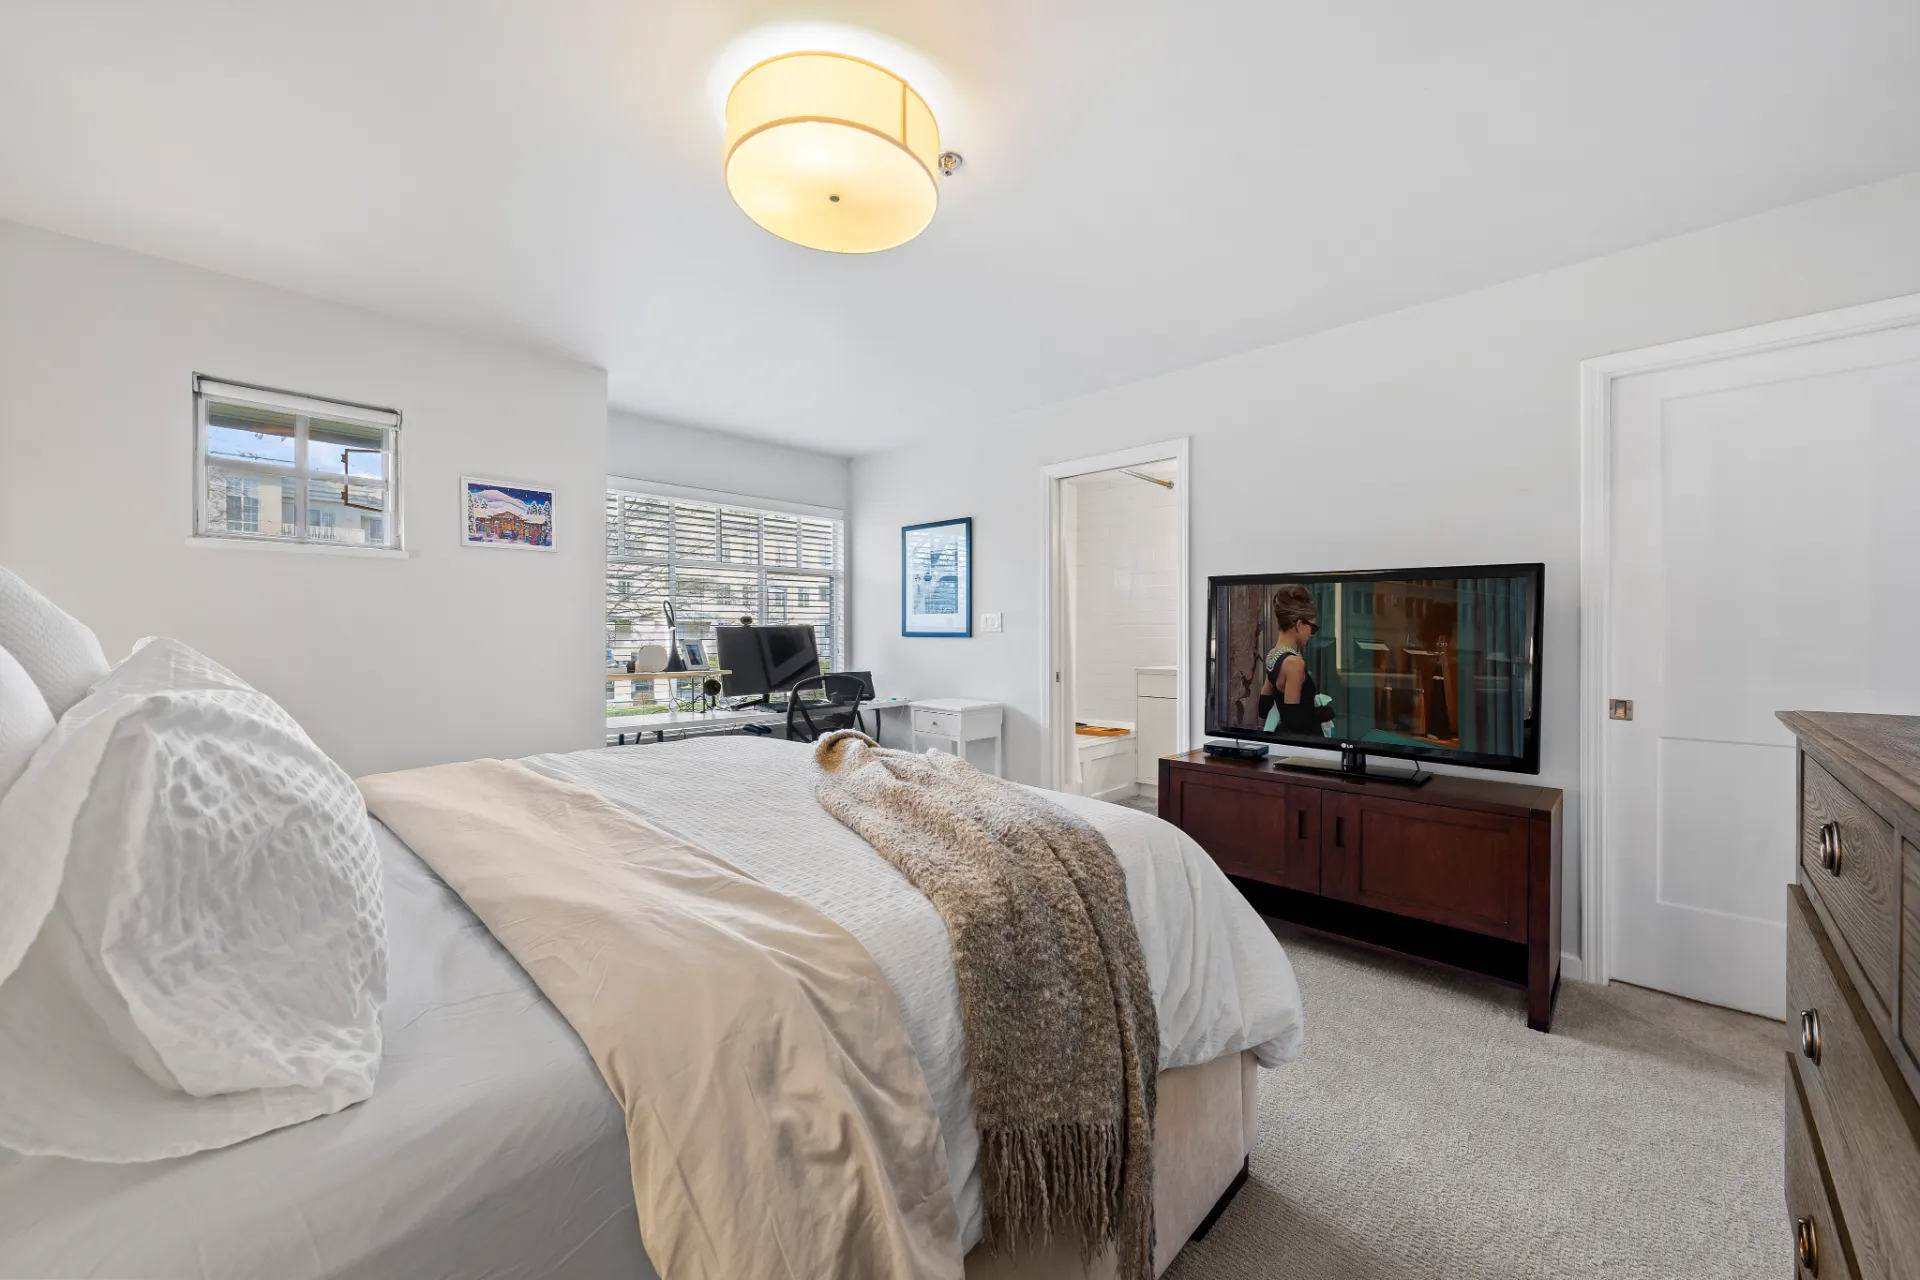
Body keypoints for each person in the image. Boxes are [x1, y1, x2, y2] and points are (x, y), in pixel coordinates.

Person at [1257, 584, 1336, 736]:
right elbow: (1293, 723)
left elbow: (1263, 709)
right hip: (1305, 743)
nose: (1312, 634)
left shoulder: (1272, 656)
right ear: (1299, 625)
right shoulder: (1294, 664)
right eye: (1312, 627)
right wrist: (1322, 714)